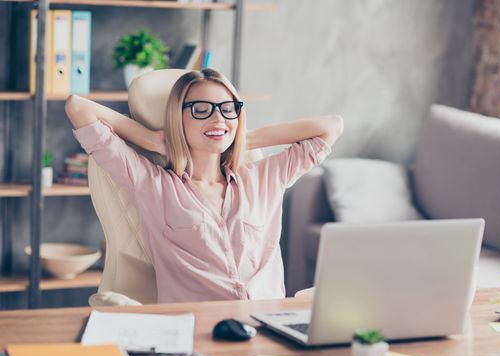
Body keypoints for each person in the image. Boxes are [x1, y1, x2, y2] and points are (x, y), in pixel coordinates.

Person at [65, 69, 343, 302]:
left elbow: (331, 126)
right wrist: (151, 139)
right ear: (178, 117)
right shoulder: (152, 185)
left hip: (266, 325)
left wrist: (242, 137)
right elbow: (78, 107)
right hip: (198, 329)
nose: (217, 118)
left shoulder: (264, 177)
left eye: (227, 109)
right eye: (201, 110)